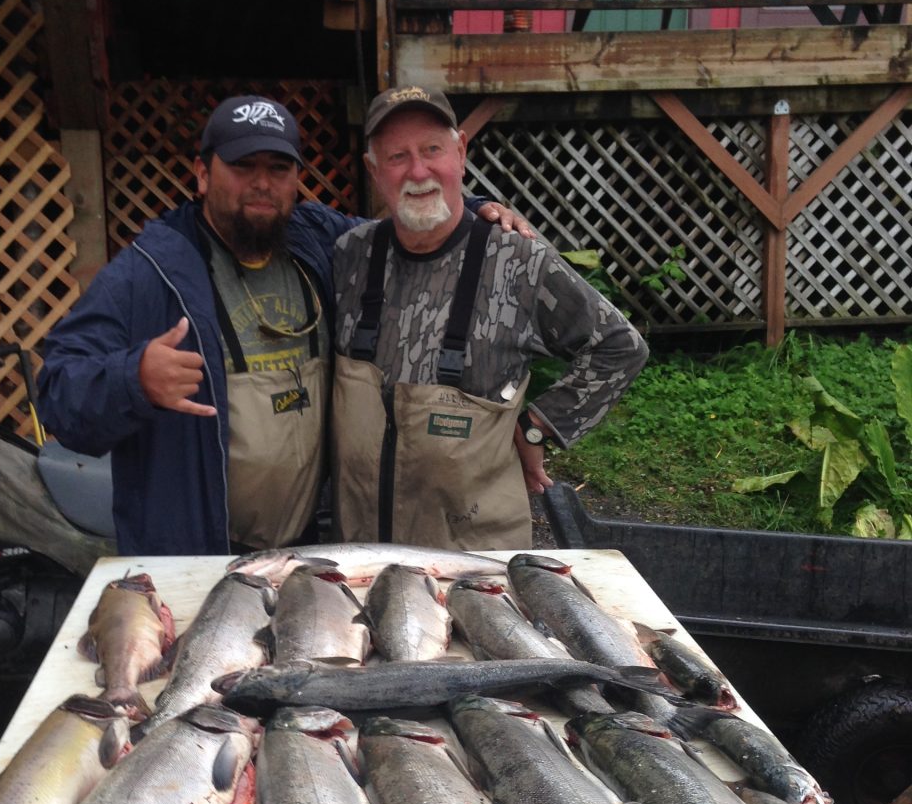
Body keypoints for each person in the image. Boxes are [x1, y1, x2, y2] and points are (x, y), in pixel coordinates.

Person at [36, 94, 525, 556]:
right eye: (243, 166)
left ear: (296, 178)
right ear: (203, 174)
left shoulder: (320, 242)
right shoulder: (148, 273)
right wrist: (133, 379)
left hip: (308, 551)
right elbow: (57, 392)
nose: (262, 183)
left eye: (278, 168)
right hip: (204, 558)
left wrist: (474, 207)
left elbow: (408, 228)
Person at [330, 85, 649, 551]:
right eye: (397, 156)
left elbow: (620, 346)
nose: (418, 171)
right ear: (374, 171)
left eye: (432, 150)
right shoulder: (348, 255)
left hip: (472, 565)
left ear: (460, 151)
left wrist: (540, 425)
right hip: (360, 557)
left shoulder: (518, 260)